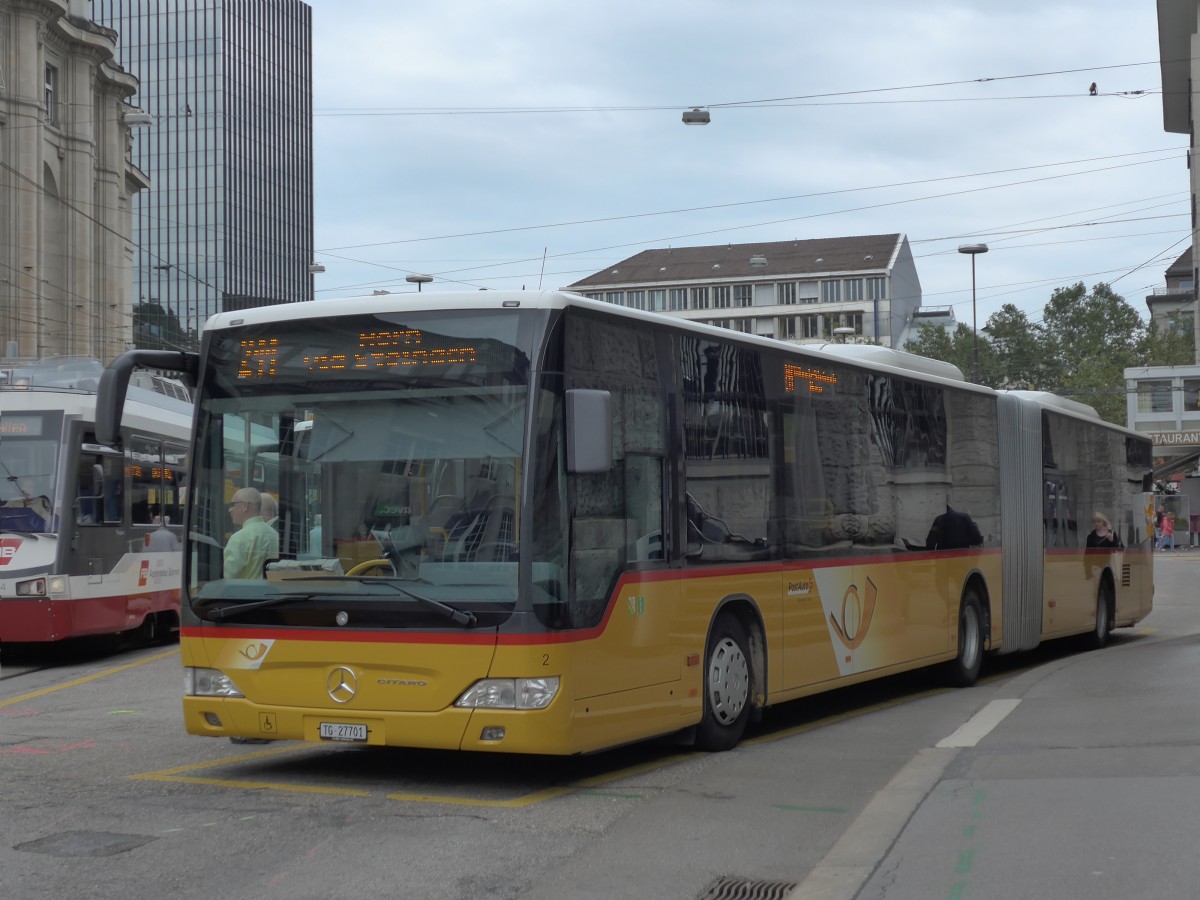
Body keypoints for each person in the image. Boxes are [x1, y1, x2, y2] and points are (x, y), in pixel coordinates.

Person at [224, 487, 278, 578]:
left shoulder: (239, 538)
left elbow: (227, 578)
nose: (230, 510)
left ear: (245, 506)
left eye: (233, 504)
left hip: (245, 592)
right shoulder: (275, 535)